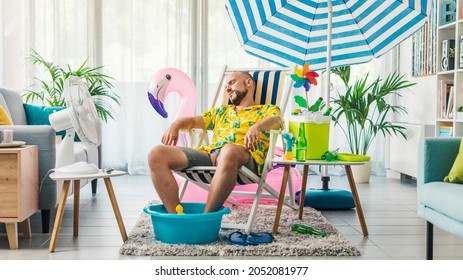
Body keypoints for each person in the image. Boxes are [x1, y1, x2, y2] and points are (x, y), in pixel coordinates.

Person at [148, 71, 283, 213]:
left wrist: (257, 127)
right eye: (226, 86)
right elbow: (193, 121)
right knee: (156, 154)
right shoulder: (221, 112)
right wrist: (174, 125)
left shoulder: (267, 110)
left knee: (229, 150)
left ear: (248, 83)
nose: (228, 89)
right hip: (211, 156)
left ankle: (206, 217)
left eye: (232, 83)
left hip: (245, 158)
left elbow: (277, 121)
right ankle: (176, 216)